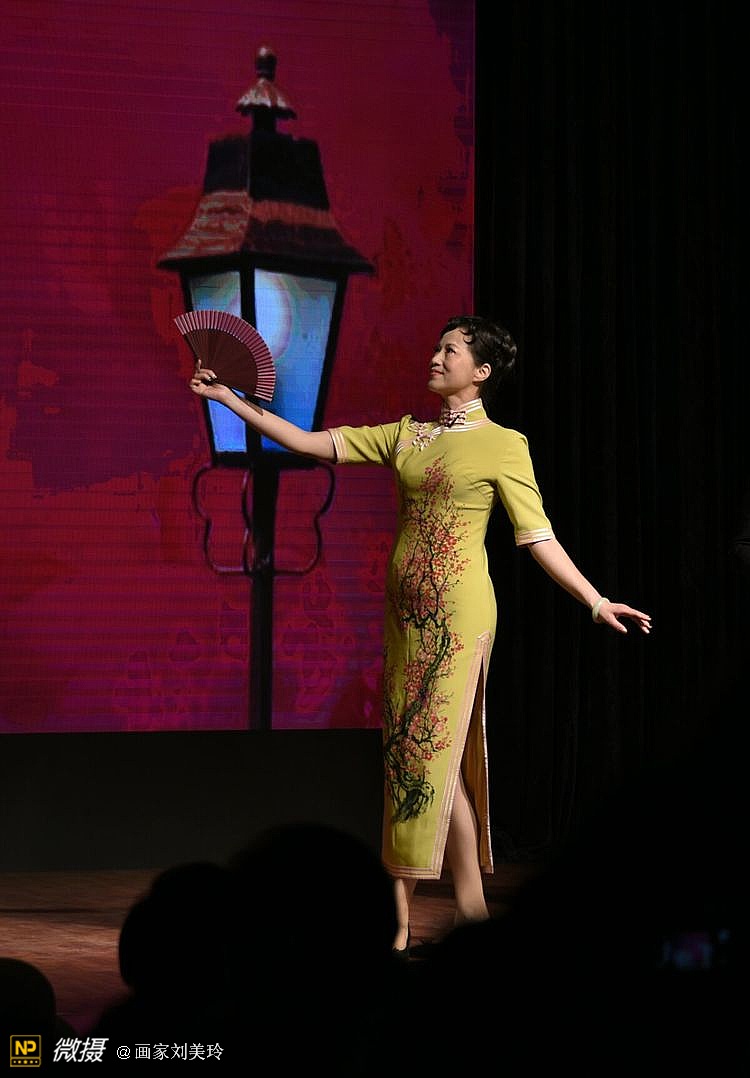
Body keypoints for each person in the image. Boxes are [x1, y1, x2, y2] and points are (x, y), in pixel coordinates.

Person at [190, 314, 652, 953]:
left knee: (424, 754)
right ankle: (471, 909)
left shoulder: (503, 444)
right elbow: (306, 442)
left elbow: (537, 536)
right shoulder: (406, 435)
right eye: (436, 347)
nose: (435, 357)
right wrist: (228, 399)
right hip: (404, 618)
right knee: (420, 757)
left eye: (450, 351)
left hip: (459, 617)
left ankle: (399, 916)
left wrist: (594, 601)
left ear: (481, 371)